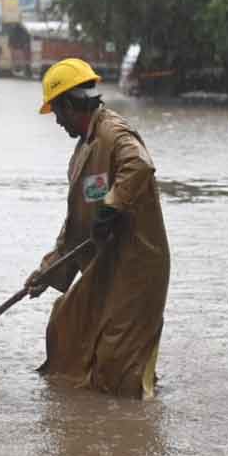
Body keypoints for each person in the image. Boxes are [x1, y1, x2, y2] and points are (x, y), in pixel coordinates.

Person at [24, 58, 171, 399]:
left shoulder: (114, 133)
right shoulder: (82, 153)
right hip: (106, 266)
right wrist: (46, 273)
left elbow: (139, 164)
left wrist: (112, 205)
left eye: (57, 112)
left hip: (136, 267)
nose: (57, 121)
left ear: (70, 105)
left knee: (116, 364)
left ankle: (134, 411)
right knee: (66, 327)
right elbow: (76, 228)